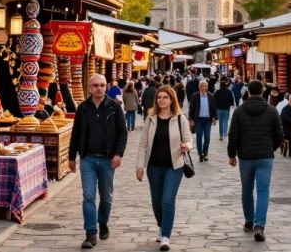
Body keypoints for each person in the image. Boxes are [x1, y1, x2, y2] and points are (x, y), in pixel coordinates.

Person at [69, 73, 129, 249]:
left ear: (106, 87)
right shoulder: (83, 108)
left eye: (102, 85)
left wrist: (119, 154)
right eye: (95, 85)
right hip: (87, 158)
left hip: (107, 159)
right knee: (88, 196)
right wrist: (72, 157)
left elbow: (122, 133)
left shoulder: (114, 107)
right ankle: (90, 233)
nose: (99, 88)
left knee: (107, 197)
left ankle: (103, 221)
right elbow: (76, 133)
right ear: (90, 87)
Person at [135, 86, 192, 251]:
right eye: (159, 97)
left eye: (165, 97)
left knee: (168, 199)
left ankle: (166, 235)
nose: (161, 100)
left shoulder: (180, 119)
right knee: (156, 201)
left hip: (174, 166)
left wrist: (186, 146)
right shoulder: (151, 118)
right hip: (154, 166)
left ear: (172, 99)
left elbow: (189, 141)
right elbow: (143, 144)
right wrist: (140, 166)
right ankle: (161, 224)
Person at [227, 80, 284, 242]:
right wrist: (271, 148)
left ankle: (249, 221)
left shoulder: (239, 111)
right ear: (262, 91)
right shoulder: (272, 111)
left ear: (248, 92)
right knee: (263, 191)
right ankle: (260, 226)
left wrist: (232, 154)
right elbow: (279, 134)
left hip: (245, 156)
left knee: (247, 189)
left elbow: (233, 135)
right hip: (265, 156)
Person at [188, 80, 216, 162]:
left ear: (207, 87)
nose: (203, 87)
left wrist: (215, 118)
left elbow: (213, 108)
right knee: (199, 138)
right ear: (199, 87)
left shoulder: (211, 96)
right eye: (202, 86)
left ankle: (205, 153)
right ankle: (200, 154)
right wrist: (191, 119)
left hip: (208, 120)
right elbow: (191, 108)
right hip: (198, 120)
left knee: (207, 137)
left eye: (205, 86)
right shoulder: (195, 96)